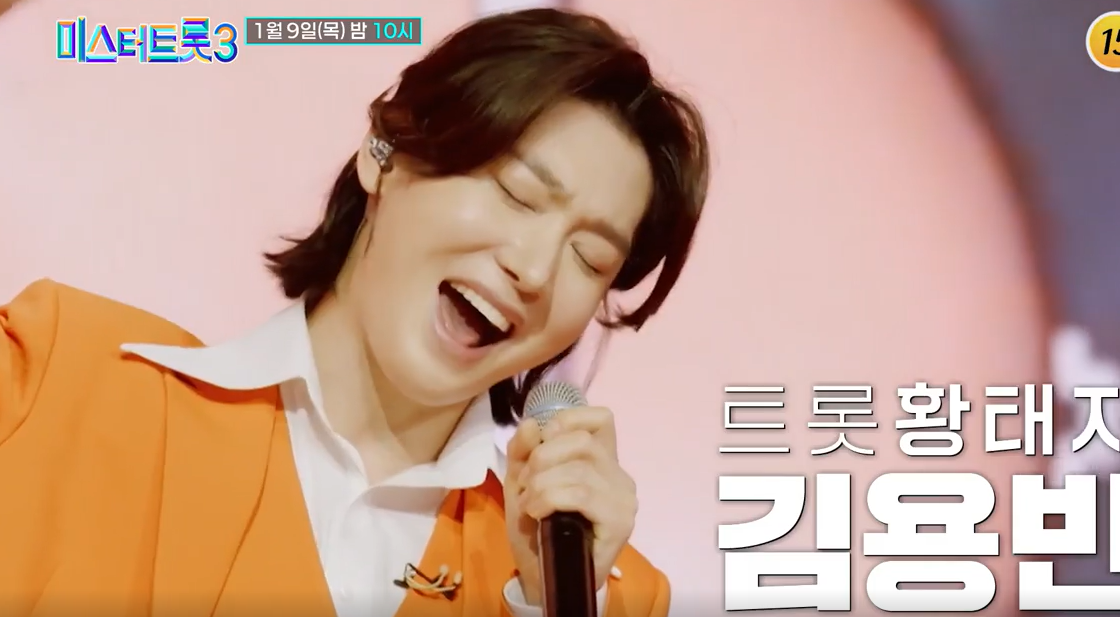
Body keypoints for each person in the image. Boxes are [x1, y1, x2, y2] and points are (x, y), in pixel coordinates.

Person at [0, 8, 708, 617]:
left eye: (588, 258)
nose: (534, 270)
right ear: (386, 153)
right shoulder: (60, 380)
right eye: (518, 194)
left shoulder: (600, 589)